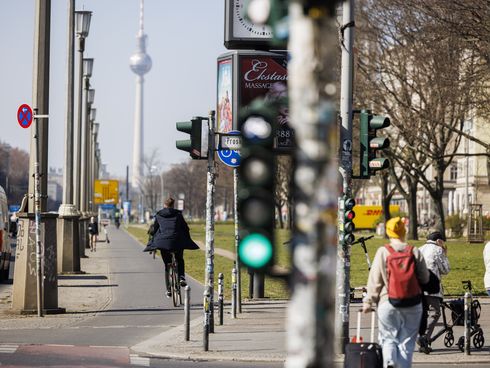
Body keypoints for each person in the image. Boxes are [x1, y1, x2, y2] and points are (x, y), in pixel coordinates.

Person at [362, 217, 429, 368]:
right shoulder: (414, 252)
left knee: (388, 339)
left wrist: (368, 302)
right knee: (406, 344)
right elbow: (425, 278)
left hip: (388, 302)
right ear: (404, 231)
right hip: (413, 303)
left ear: (388, 231)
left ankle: (389, 363)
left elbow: (375, 280)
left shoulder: (383, 252)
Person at [147, 197, 199, 297]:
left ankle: (168, 290)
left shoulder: (159, 215)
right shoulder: (178, 214)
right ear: (173, 205)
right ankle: (181, 277)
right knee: (180, 259)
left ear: (164, 205)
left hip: (163, 243)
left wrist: (153, 239)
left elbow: (155, 229)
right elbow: (185, 227)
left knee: (167, 265)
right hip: (177, 242)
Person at [417, 230, 450, 350]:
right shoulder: (438, 249)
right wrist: (444, 254)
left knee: (421, 314)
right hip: (431, 288)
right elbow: (445, 270)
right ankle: (424, 338)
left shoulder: (418, 249)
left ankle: (422, 339)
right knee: (435, 312)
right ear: (439, 241)